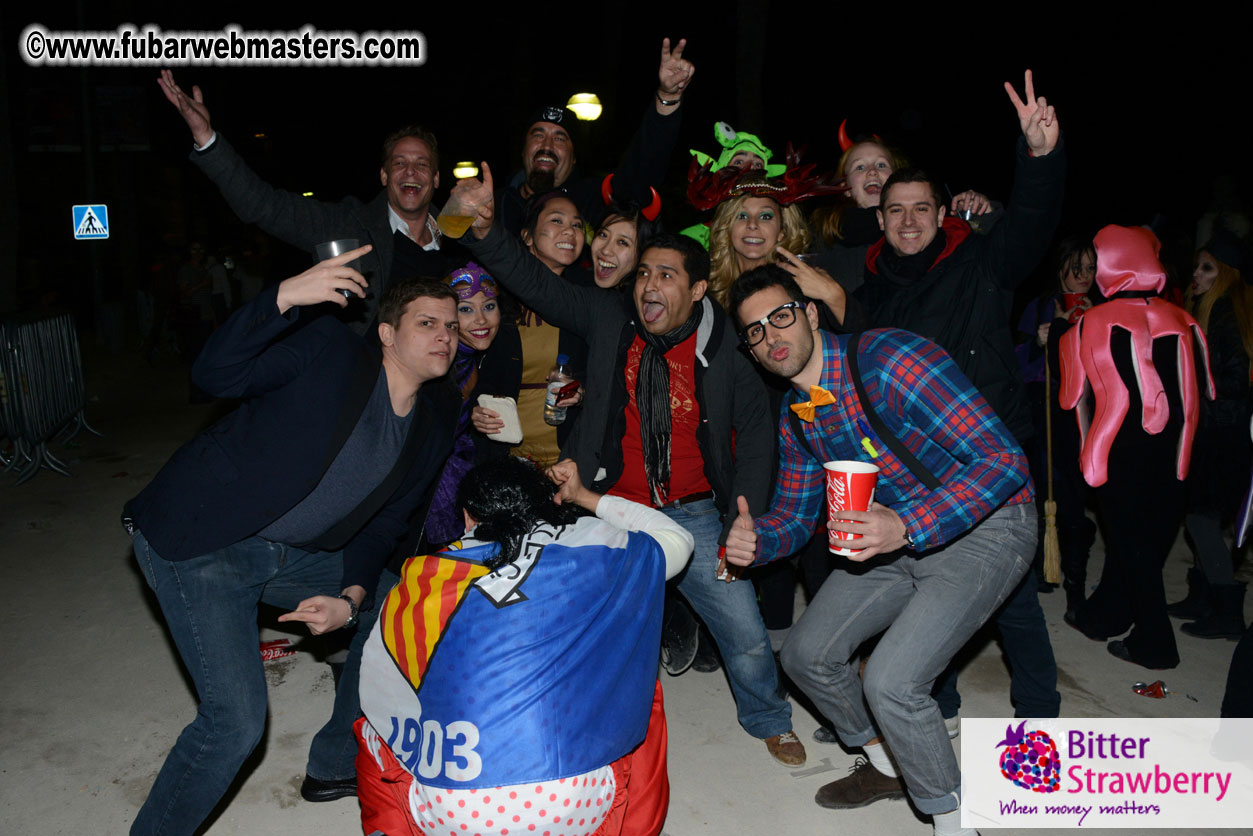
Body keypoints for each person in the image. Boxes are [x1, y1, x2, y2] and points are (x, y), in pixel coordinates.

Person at [454, 163, 807, 767]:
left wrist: (745, 514)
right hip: (607, 503)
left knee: (746, 634)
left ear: (697, 290)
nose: (649, 285)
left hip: (695, 511)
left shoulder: (730, 342)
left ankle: (769, 719)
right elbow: (533, 283)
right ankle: (574, 724)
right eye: (644, 273)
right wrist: (478, 229)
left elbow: (754, 436)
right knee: (578, 623)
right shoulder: (609, 317)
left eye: (666, 275)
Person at [123, 247, 462, 835]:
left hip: (292, 555)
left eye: (452, 327)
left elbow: (385, 527)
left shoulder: (431, 424)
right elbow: (212, 375)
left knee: (400, 604)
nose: (445, 336)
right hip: (203, 541)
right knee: (235, 723)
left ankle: (333, 763)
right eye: (426, 323)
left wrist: (352, 598)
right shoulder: (330, 353)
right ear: (386, 333)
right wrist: (280, 298)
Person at [725, 266, 1034, 836]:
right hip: (891, 540)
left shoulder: (890, 359)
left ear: (811, 314)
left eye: (781, 316)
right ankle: (891, 765)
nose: (771, 337)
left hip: (990, 524)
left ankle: (954, 820)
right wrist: (755, 539)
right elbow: (795, 519)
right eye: (755, 332)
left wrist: (908, 524)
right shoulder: (800, 420)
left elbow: (1004, 461)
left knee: (891, 681)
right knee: (804, 655)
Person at [854, 70, 1064, 721]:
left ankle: (1038, 708)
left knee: (1011, 596)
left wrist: (1038, 156)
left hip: (989, 458)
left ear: (941, 213)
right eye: (895, 210)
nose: (908, 219)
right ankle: (936, 699)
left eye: (921, 207)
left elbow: (1032, 222)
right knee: (929, 587)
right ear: (880, 219)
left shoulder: (980, 263)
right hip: (913, 469)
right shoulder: (870, 295)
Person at [354, 456, 692, 836]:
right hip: (574, 806)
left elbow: (387, 685)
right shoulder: (598, 549)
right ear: (547, 505)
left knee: (372, 727)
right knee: (642, 695)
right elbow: (679, 540)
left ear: (467, 518)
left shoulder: (420, 577)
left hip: (449, 814)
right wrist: (584, 496)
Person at [157, 70, 468, 334]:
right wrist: (208, 140)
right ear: (385, 176)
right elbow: (263, 205)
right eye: (399, 163)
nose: (410, 171)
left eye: (422, 164)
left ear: (436, 178)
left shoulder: (459, 239)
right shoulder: (348, 224)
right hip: (368, 391)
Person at [1060, 224, 1214, 670]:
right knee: (1143, 541)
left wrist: (1088, 457)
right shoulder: (1183, 319)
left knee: (1132, 547)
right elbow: (1205, 392)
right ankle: (1103, 615)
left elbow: (1073, 397)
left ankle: (1156, 643)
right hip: (1176, 451)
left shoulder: (1091, 322)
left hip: (1119, 448)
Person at [495, 38, 693, 236]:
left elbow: (640, 172)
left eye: (560, 138)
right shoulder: (493, 205)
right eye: (538, 135)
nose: (547, 145)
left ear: (573, 158)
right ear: (522, 151)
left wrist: (667, 98)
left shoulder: (596, 200)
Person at [1170, 231, 1253, 639]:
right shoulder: (1211, 310)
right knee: (1200, 518)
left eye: (1208, 268)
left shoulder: (1226, 314)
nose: (1197, 275)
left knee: (1202, 521)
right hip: (1217, 432)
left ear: (1227, 276)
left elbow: (1237, 379)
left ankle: (1227, 612)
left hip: (1225, 436)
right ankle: (1201, 598)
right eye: (1197, 266)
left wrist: (1201, 383)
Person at [1015, 236, 1099, 616]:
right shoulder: (1042, 305)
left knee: (1072, 494)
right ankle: (1037, 569)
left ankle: (1076, 580)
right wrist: (1039, 340)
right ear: (1061, 266)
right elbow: (1015, 360)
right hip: (1043, 408)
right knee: (1039, 488)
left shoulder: (1103, 308)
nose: (1083, 276)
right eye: (1075, 267)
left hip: (1085, 412)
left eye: (1090, 268)